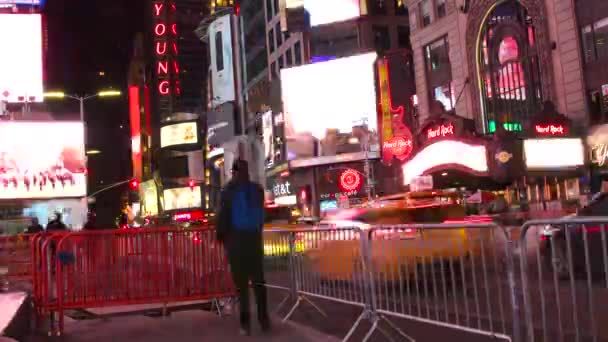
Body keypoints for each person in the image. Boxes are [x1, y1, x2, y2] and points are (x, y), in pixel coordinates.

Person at [217, 159, 270, 336]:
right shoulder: (257, 189)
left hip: (237, 242)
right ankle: (264, 321)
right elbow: (262, 216)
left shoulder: (227, 191)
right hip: (253, 241)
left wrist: (222, 238)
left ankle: (245, 325)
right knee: (259, 283)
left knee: (242, 287)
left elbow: (223, 217)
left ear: (233, 172)